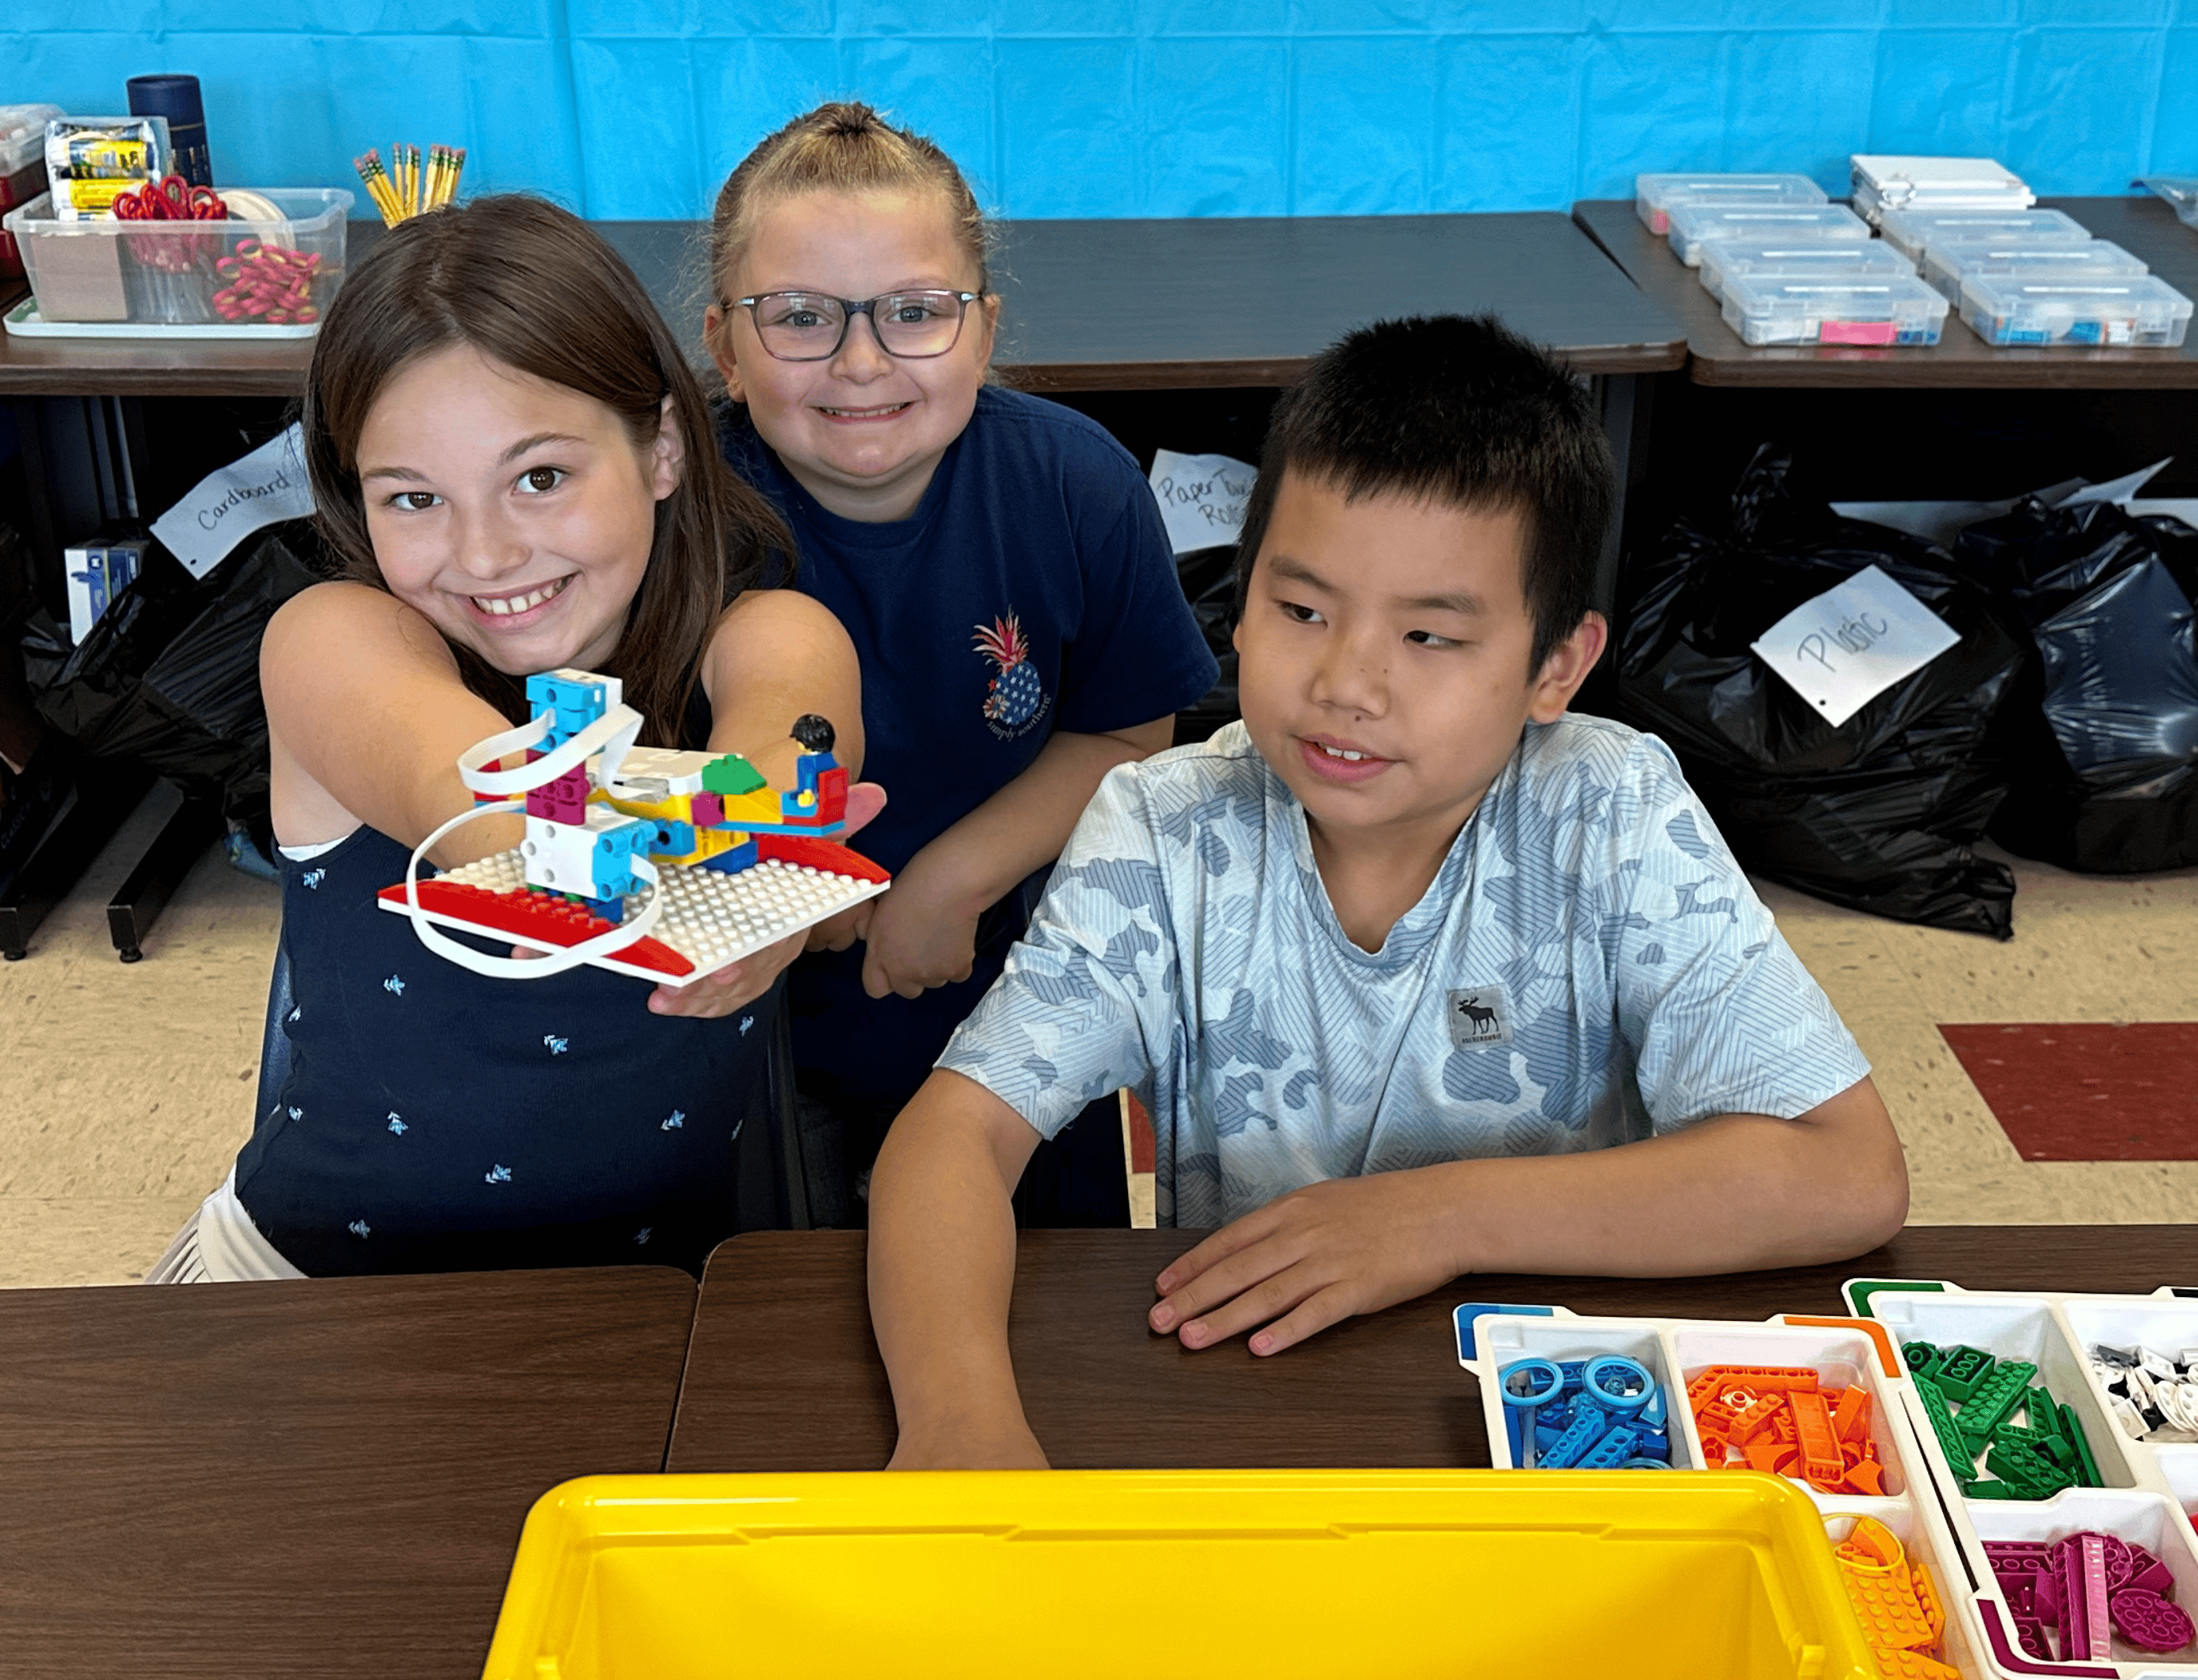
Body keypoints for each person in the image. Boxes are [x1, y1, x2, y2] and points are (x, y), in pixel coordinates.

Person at [866, 315, 1909, 1468]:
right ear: (1241, 598)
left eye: (1428, 634)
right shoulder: (1164, 830)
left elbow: (1846, 1168)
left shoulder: (1609, 810)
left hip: (1568, 1420)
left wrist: (1443, 1215)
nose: (1347, 683)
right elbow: (954, 1134)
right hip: (1259, 1405)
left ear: (1556, 665)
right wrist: (958, 1416)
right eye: (1302, 611)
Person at [149, 196, 875, 1282]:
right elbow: (488, 814)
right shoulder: (331, 640)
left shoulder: (772, 628)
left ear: (664, 448)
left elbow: (793, 742)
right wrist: (752, 864)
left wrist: (779, 849)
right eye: (414, 498)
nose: (484, 554)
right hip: (305, 1292)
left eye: (540, 477)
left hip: (660, 1303)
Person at [702, 102, 1220, 1220]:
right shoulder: (682, 515)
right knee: (772, 1306)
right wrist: (785, 886)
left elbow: (1130, 730)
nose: (859, 361)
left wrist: (954, 878)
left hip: (1007, 971)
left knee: (1045, 1280)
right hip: (751, 1004)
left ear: (983, 330)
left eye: (915, 312)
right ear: (724, 347)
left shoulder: (1078, 485)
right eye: (798, 316)